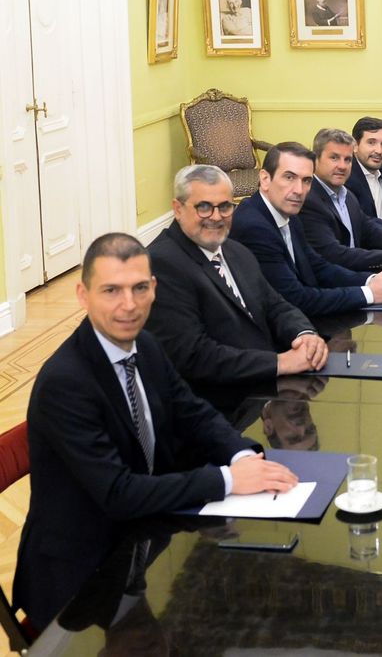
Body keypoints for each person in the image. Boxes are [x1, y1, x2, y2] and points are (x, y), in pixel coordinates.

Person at [13, 233, 299, 628]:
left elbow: (194, 413)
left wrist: (242, 455)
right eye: (111, 290)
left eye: (139, 288)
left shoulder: (144, 345)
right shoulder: (66, 382)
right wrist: (228, 479)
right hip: (84, 572)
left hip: (144, 536)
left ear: (154, 289)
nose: (128, 305)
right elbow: (118, 493)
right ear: (83, 295)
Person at [147, 165, 329, 393]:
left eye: (225, 207)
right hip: (223, 401)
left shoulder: (236, 251)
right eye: (204, 207)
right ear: (178, 208)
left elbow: (275, 306)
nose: (216, 217)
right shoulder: (160, 263)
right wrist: (280, 363)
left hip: (267, 386)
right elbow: (193, 356)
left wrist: (305, 336)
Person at [230, 142, 382, 319]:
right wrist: (369, 293)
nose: (299, 190)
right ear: (265, 179)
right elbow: (295, 299)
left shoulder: (287, 213)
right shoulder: (254, 226)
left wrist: (371, 280)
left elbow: (317, 266)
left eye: (306, 180)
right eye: (289, 177)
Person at [301, 128, 382, 271]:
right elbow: (334, 254)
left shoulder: (346, 194)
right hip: (334, 282)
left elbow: (368, 228)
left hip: (356, 275)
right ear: (315, 159)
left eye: (347, 159)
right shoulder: (308, 199)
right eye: (334, 158)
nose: (342, 166)